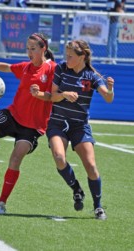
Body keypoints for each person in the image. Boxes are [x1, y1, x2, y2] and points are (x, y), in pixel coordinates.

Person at [0, 33, 56, 215]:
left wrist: (40, 94)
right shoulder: (25, 67)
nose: (29, 52)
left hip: (32, 127)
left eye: (33, 49)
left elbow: (54, 96)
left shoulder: (52, 70)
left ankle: (1, 202)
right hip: (13, 114)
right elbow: (7, 67)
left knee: (15, 160)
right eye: (27, 48)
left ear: (43, 49)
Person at [46, 39, 114, 220]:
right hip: (58, 122)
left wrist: (110, 89)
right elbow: (52, 97)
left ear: (81, 56)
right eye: (66, 55)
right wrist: (64, 95)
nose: (66, 58)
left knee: (91, 167)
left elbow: (108, 98)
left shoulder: (91, 75)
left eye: (70, 55)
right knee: (59, 158)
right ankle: (76, 188)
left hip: (79, 126)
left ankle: (98, 207)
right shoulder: (61, 69)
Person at [107, 0, 125, 64]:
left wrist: (119, 10)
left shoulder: (117, 2)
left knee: (113, 40)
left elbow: (120, 10)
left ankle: (114, 58)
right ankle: (108, 58)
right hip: (107, 22)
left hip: (114, 23)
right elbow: (108, 10)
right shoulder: (108, 1)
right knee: (108, 41)